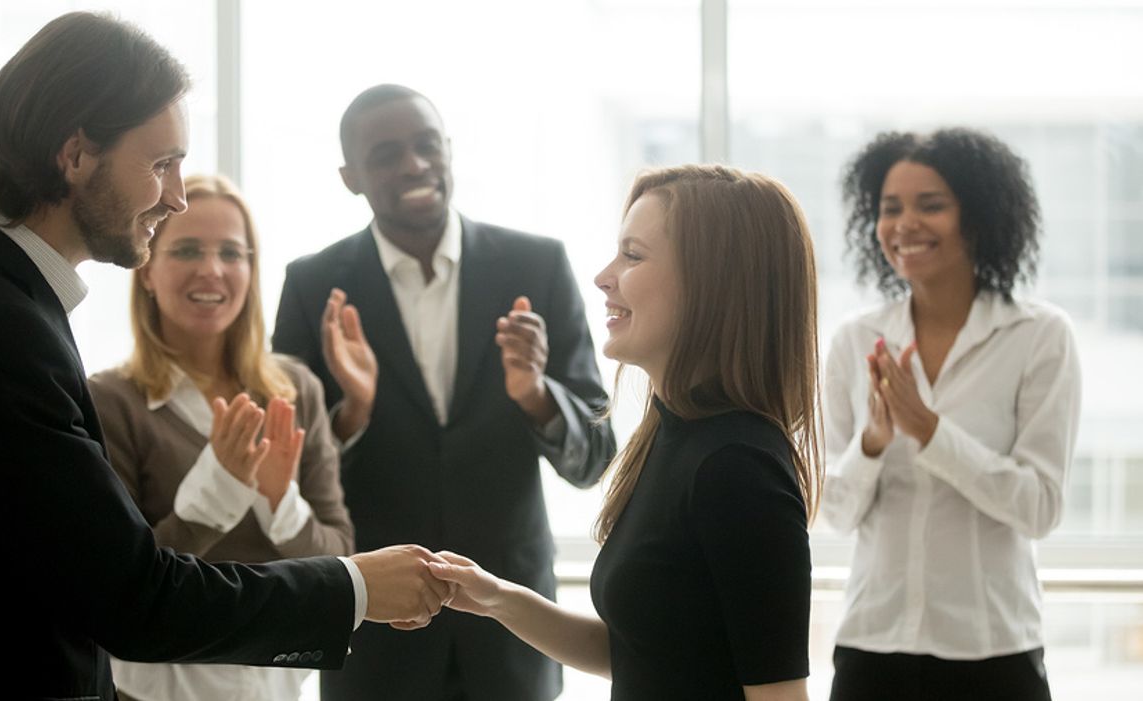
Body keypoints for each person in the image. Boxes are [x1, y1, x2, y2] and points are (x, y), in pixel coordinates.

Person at [0, 13, 449, 699]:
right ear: (74, 155)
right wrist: (357, 586)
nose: (177, 195)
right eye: (161, 163)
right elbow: (133, 599)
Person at [272, 84, 618, 701]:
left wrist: (536, 394)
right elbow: (287, 471)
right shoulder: (312, 284)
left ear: (450, 151)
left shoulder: (535, 266)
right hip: (375, 639)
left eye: (427, 145)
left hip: (514, 634)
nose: (413, 164)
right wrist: (352, 411)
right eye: (386, 154)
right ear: (350, 176)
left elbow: (595, 456)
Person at [424, 164, 821, 701]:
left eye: (632, 255)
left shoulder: (738, 468)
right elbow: (638, 655)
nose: (604, 276)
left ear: (711, 282)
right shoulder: (675, 435)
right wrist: (495, 597)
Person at [821, 128, 1081, 701]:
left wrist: (929, 432)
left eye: (930, 205)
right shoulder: (854, 340)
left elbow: (1039, 507)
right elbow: (835, 513)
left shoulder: (1039, 337)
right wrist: (872, 441)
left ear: (980, 217)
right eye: (890, 209)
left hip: (993, 651)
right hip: (872, 647)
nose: (905, 224)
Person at [88, 174, 356, 701]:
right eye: (187, 249)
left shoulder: (296, 388)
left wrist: (281, 500)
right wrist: (217, 489)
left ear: (251, 271)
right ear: (146, 268)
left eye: (231, 253)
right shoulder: (110, 400)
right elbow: (118, 588)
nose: (211, 270)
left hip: (276, 685)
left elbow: (339, 552)